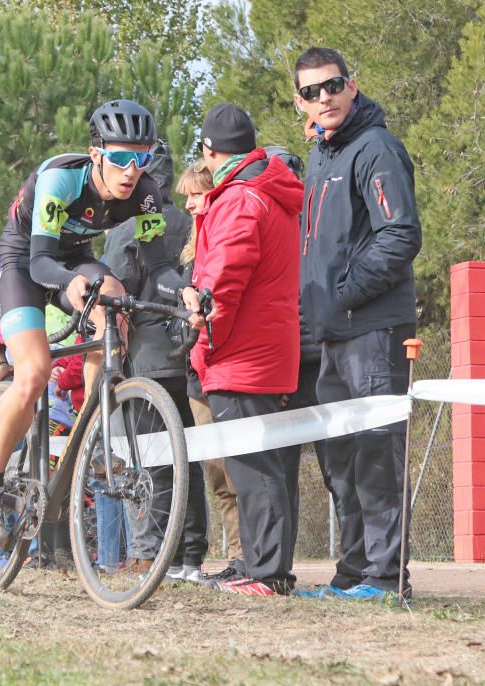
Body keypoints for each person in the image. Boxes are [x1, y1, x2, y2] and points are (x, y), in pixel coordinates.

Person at [0, 99, 199, 544]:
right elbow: (40, 261)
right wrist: (71, 283)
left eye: (141, 157)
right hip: (25, 262)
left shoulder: (148, 193)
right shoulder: (60, 178)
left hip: (76, 258)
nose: (131, 170)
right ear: (96, 153)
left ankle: (87, 427)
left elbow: (159, 270)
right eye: (120, 158)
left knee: (114, 300)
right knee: (35, 372)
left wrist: (185, 290)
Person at [294, 47, 422, 600]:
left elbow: (400, 235)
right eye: (310, 91)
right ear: (299, 99)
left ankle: (385, 578)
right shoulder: (324, 154)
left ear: (352, 84)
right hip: (331, 336)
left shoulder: (376, 148)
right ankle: (351, 573)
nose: (323, 97)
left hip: (373, 331)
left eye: (332, 85)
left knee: (375, 456)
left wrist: (343, 293)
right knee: (340, 462)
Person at [189, 103, 304, 596]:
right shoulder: (270, 192)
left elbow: (222, 284)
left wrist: (203, 340)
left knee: (253, 471)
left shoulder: (238, 199)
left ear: (209, 151)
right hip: (269, 348)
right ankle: (261, 566)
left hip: (240, 356)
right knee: (265, 467)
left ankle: (267, 573)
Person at [104, 139, 209, 582]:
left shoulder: (130, 223)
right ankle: (189, 554)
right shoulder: (189, 217)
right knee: (190, 458)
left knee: (147, 458)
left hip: (143, 359)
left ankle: (150, 553)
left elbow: (114, 288)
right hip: (186, 352)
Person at [177, 161, 244, 573]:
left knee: (242, 476)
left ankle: (253, 557)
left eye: (196, 195)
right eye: (185, 196)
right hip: (196, 377)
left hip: (231, 371)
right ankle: (237, 555)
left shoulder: (229, 240)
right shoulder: (188, 251)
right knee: (218, 478)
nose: (189, 204)